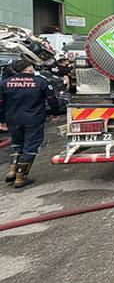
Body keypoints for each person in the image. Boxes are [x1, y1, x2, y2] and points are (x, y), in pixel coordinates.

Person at [1, 59, 61, 188]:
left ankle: (12, 170)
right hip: (33, 120)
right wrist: (55, 113)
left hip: (13, 119)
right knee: (30, 147)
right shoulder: (40, 82)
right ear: (29, 68)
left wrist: (2, 120)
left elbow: (1, 103)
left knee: (17, 145)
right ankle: (20, 177)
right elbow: (52, 99)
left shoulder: (5, 83)